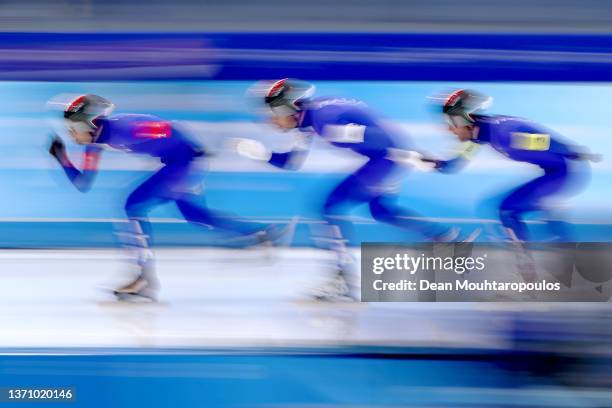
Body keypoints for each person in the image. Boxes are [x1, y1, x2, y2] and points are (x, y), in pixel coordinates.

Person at [236, 79, 461, 300]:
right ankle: (445, 238)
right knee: (381, 211)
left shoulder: (326, 124)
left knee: (330, 206)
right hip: (390, 155)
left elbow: (377, 137)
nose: (270, 122)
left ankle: (341, 279)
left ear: (288, 109)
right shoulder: (309, 118)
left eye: (272, 115)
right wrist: (263, 154)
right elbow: (291, 162)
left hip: (388, 157)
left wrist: (412, 157)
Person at [49, 94, 290, 300]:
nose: (72, 134)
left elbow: (168, 127)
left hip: (184, 163)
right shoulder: (97, 141)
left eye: (76, 128)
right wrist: (62, 158)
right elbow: (83, 182)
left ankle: (142, 278)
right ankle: (261, 233)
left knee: (132, 205)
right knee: (195, 215)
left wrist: (195, 155)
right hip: (180, 164)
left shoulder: (126, 127)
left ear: (90, 124)